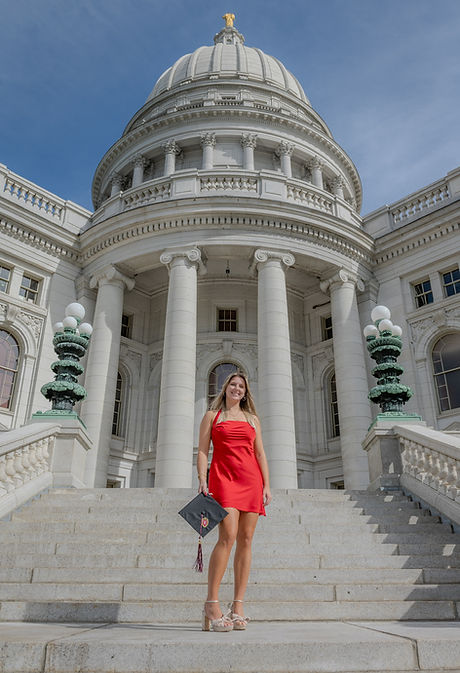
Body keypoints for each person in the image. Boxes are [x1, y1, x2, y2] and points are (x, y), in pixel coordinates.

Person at [197, 370, 272, 632]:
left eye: (241, 386)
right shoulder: (212, 416)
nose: (237, 389)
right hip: (223, 480)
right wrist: (202, 479)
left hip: (251, 481)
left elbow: (260, 453)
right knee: (227, 536)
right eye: (233, 385)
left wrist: (267, 485)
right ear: (225, 388)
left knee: (247, 540)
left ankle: (238, 605)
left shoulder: (252, 419)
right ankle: (212, 603)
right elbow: (203, 450)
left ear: (245, 391)